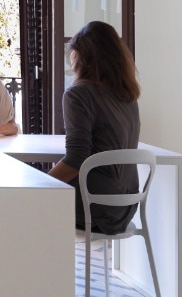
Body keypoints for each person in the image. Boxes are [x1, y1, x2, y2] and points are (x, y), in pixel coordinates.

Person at [47, 21, 142, 234]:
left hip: (96, 206)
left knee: (30, 204)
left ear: (81, 56)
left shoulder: (78, 93)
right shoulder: (127, 95)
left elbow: (76, 159)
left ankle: (39, 267)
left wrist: (41, 185)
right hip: (126, 207)